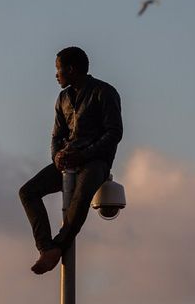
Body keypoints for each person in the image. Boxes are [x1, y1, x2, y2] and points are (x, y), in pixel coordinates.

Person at [19, 46, 123, 274]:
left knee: (82, 193)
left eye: (58, 69)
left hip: (96, 161)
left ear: (72, 69)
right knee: (27, 192)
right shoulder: (62, 98)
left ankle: (58, 246)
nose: (56, 75)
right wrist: (57, 157)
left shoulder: (104, 92)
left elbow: (114, 133)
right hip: (68, 162)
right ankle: (46, 247)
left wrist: (85, 154)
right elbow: (56, 135)